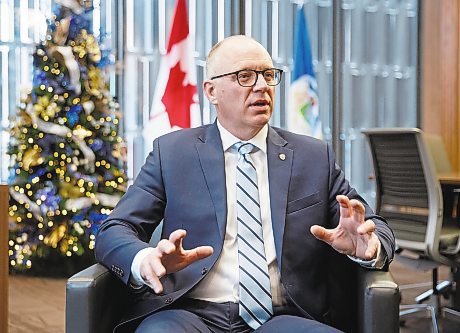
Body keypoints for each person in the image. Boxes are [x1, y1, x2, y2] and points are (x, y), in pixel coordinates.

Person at [95, 35, 395, 333]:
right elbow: (115, 229)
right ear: (212, 92)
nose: (262, 85)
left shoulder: (313, 157)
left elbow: (374, 226)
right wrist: (145, 259)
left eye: (267, 74)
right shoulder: (172, 153)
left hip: (286, 318)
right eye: (245, 76)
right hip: (190, 312)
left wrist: (368, 247)